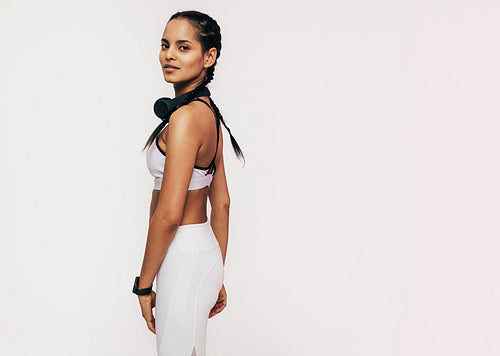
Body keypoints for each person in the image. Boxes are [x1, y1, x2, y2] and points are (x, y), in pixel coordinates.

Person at [133, 10, 244, 356]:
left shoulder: (183, 120)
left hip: (181, 257)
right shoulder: (208, 112)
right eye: (165, 45)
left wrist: (143, 285)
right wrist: (215, 270)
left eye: (183, 47)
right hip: (201, 254)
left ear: (208, 57)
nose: (169, 55)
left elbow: (168, 215)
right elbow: (222, 203)